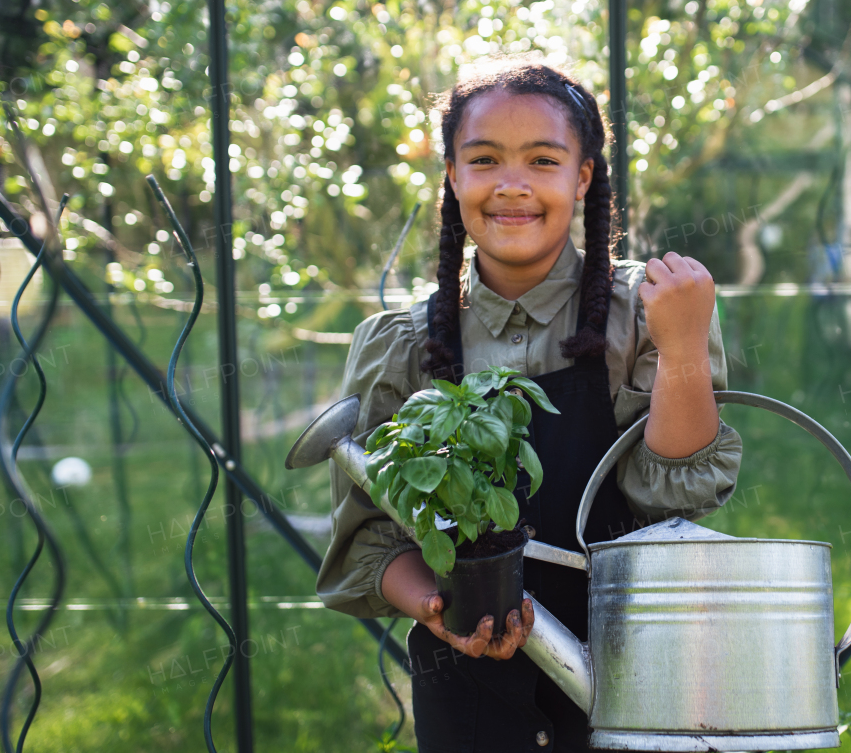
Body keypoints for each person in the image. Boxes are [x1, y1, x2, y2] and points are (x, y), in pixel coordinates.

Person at [315, 60, 743, 753]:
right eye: (483, 160)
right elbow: (371, 539)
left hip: (637, 676)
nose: (511, 185)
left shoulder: (647, 311)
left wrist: (684, 345)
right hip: (468, 698)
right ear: (453, 176)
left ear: (582, 177)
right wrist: (438, 605)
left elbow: (676, 495)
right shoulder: (398, 345)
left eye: (543, 160)